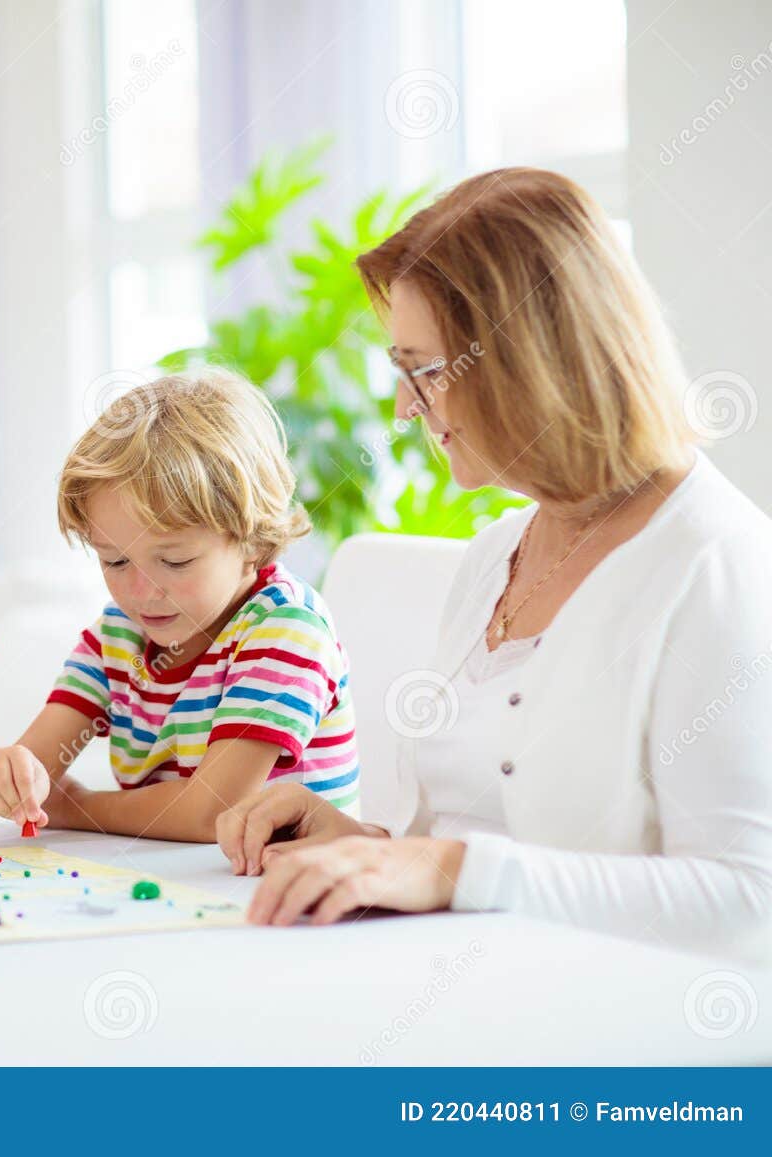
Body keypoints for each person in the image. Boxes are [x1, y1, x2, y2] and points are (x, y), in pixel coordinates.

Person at [224, 168, 772, 965]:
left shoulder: (716, 567)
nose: (407, 407)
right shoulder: (495, 557)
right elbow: (466, 842)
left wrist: (448, 867)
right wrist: (362, 846)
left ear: (529, 359)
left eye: (426, 369)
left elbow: (745, 901)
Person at [0, 370, 359, 842]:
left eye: (175, 561)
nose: (141, 591)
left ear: (254, 543)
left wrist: (78, 806)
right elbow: (37, 767)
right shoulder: (119, 635)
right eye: (114, 560)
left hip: (283, 892)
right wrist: (13, 776)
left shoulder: (286, 628)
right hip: (181, 884)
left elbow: (209, 814)